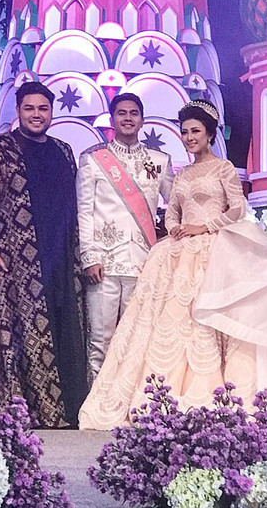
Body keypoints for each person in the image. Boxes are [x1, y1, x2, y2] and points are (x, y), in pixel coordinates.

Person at [79, 99, 267, 430]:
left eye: (195, 131)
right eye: (184, 132)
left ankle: (222, 392)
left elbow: (238, 209)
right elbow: (173, 209)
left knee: (216, 319)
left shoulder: (223, 168)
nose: (189, 137)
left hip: (216, 249)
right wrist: (175, 226)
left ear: (209, 134)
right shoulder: (182, 173)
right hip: (179, 252)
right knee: (176, 325)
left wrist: (204, 227)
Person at [0, 81, 88, 428]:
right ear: (17, 111)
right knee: (14, 331)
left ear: (52, 112)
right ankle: (16, 408)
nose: (36, 115)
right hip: (13, 260)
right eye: (29, 108)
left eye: (43, 108)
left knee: (59, 329)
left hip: (58, 258)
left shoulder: (63, 151)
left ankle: (60, 412)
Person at [76, 93, 174, 379]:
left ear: (142, 120)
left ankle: (131, 400)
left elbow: (177, 207)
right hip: (103, 265)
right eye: (122, 113)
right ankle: (96, 401)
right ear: (112, 118)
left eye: (133, 113)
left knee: (138, 340)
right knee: (100, 341)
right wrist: (89, 257)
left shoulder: (159, 161)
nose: (128, 118)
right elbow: (84, 212)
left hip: (144, 264)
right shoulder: (93, 160)